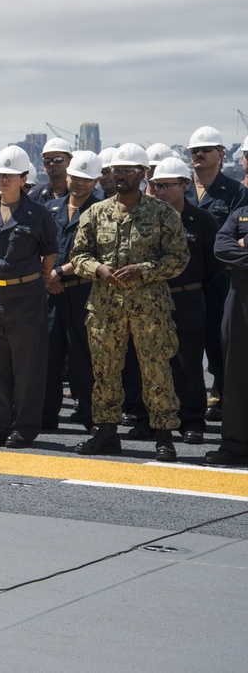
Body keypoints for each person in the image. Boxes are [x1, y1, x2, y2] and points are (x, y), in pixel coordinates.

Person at [71, 143, 189, 461]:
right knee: (105, 370)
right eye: (115, 171)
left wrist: (143, 269)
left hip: (150, 307)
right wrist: (99, 269)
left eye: (127, 171)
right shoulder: (96, 213)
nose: (120, 176)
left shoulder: (162, 213)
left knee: (156, 370)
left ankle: (164, 434)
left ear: (143, 174)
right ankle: (106, 432)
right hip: (105, 307)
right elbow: (78, 255)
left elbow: (179, 258)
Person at [0, 145, 57, 448]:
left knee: (26, 366)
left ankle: (23, 428)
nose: (4, 180)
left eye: (11, 176)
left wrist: (39, 277)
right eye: (0, 175)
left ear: (25, 178)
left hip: (24, 294)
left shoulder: (37, 214)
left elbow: (49, 252)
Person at [138, 157, 220, 445]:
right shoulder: (145, 218)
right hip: (150, 297)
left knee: (189, 362)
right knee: (151, 362)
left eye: (167, 185)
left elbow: (213, 265)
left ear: (184, 186)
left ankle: (192, 421)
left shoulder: (203, 221)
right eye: (156, 185)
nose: (160, 191)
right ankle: (154, 420)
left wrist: (189, 286)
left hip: (187, 298)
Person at [184, 127, 248, 422]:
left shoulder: (236, 193)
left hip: (219, 281)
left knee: (220, 344)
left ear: (221, 154)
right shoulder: (178, 189)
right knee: (183, 347)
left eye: (206, 149)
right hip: (183, 281)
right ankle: (187, 402)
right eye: (194, 151)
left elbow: (238, 239)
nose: (199, 154)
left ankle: (224, 398)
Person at [41, 151, 102, 432]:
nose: (79, 184)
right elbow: (37, 245)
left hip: (82, 292)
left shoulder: (102, 211)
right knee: (48, 356)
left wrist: (60, 272)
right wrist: (48, 277)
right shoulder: (50, 208)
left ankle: (91, 416)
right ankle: (46, 416)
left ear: (96, 182)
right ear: (67, 176)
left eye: (86, 180)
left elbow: (100, 254)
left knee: (82, 358)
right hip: (50, 293)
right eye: (75, 177)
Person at [205, 204, 248, 466]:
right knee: (235, 375)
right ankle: (236, 443)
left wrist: (245, 243)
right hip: (241, 301)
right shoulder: (241, 212)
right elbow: (221, 248)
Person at [29, 137, 73, 204]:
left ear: (69, 161)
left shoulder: (80, 196)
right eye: (47, 160)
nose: (52, 163)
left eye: (57, 159)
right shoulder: (34, 198)